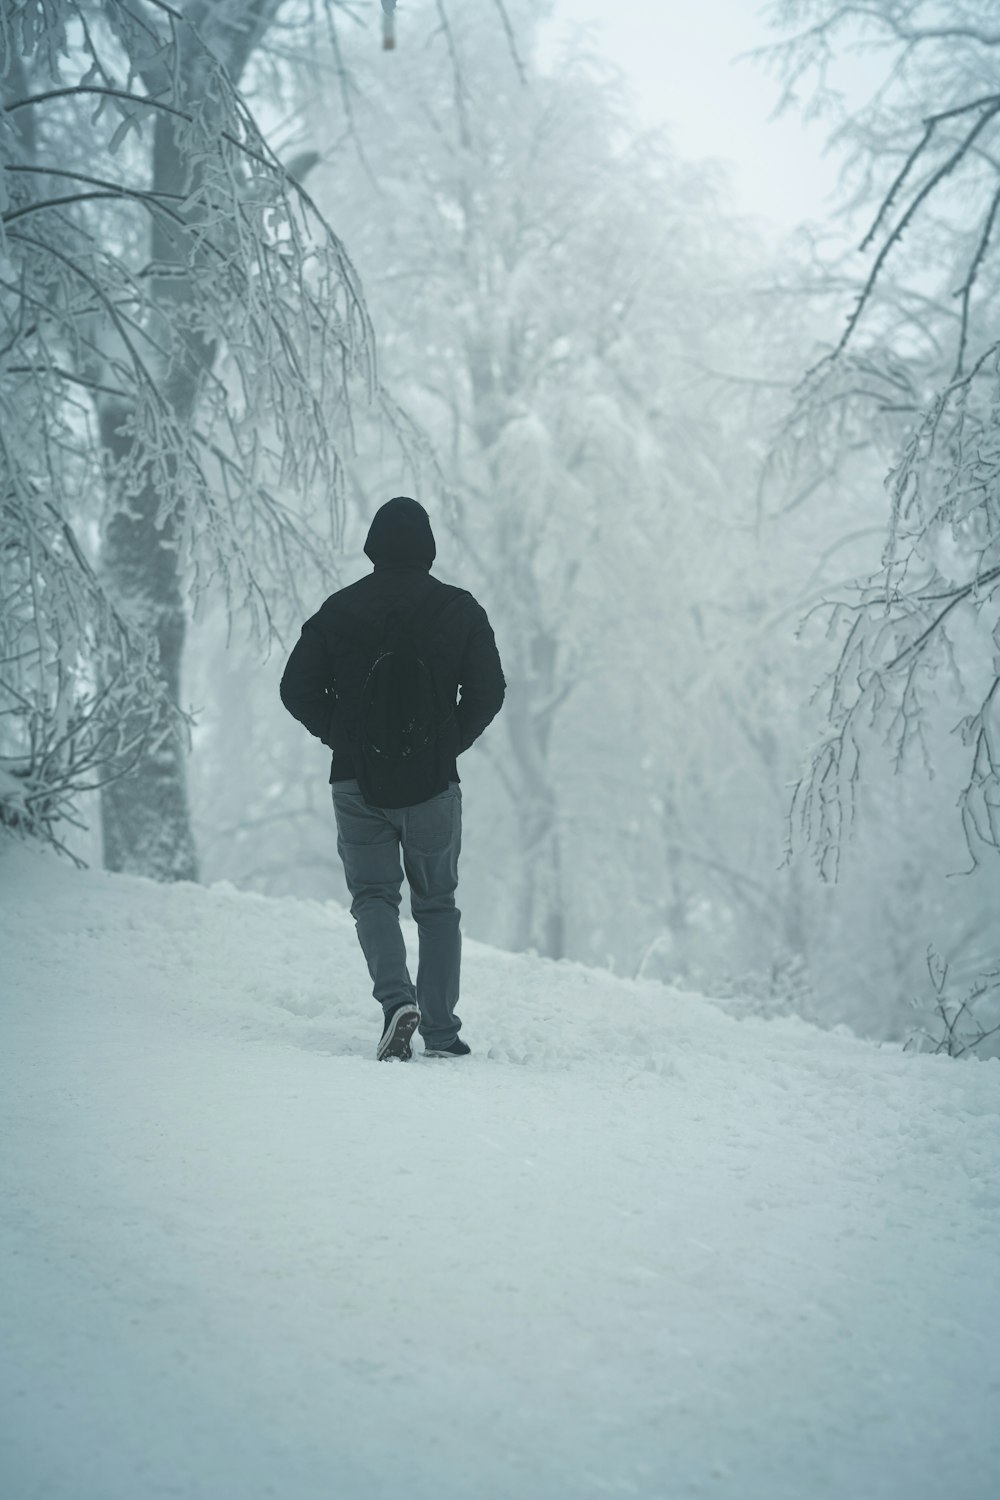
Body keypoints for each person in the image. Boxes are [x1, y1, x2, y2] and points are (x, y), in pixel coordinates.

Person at [279, 496, 505, 1061]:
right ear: (428, 547)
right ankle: (441, 1031)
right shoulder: (460, 610)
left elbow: (295, 689)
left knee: (374, 896)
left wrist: (344, 738)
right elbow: (489, 691)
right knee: (437, 903)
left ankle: (395, 1002)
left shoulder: (340, 609)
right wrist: (446, 743)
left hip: (357, 784)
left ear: (373, 546)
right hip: (433, 785)